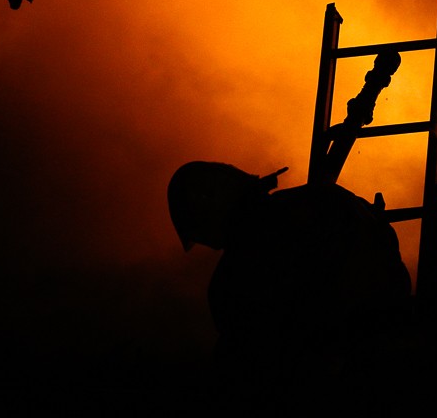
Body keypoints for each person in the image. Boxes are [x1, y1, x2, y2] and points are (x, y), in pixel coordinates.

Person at [167, 161, 414, 409]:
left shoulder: (236, 275)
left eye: (201, 233)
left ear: (211, 211)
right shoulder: (324, 198)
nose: (209, 244)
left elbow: (251, 359)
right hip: (391, 342)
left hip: (335, 380)